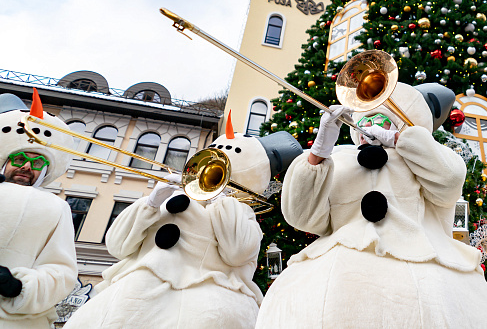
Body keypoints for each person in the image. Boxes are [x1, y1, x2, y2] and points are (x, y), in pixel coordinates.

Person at [256, 82, 487, 329]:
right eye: (367, 121)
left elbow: (449, 183)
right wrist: (318, 153)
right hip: (338, 276)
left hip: (420, 270)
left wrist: (402, 141)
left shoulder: (423, 158)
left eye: (382, 120)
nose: (371, 128)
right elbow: (301, 216)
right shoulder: (340, 160)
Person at [64, 122, 302, 329]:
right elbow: (117, 245)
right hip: (134, 294)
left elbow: (238, 252)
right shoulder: (165, 198)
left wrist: (222, 199)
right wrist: (151, 203)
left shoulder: (239, 211)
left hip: (200, 301)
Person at [0, 91, 78, 328]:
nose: (25, 166)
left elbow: (61, 271)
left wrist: (19, 286)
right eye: (19, 158)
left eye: (36, 162)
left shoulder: (57, 207)